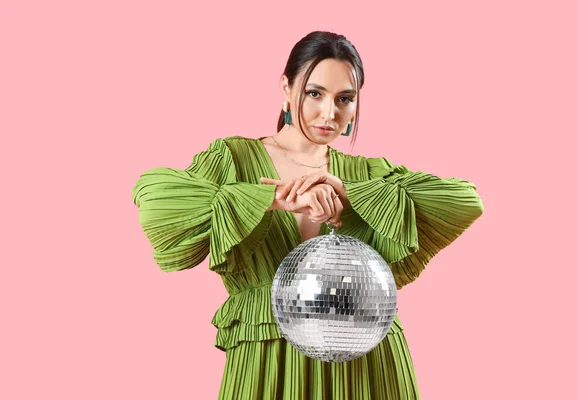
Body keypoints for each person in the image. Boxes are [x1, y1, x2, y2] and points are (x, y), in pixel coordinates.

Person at [131, 30, 484, 400]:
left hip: (368, 362)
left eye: (344, 99)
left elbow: (467, 201)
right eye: (314, 93)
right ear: (286, 87)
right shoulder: (232, 158)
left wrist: (350, 194)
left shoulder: (368, 173)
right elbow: (154, 198)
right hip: (268, 355)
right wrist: (275, 198)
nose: (329, 113)